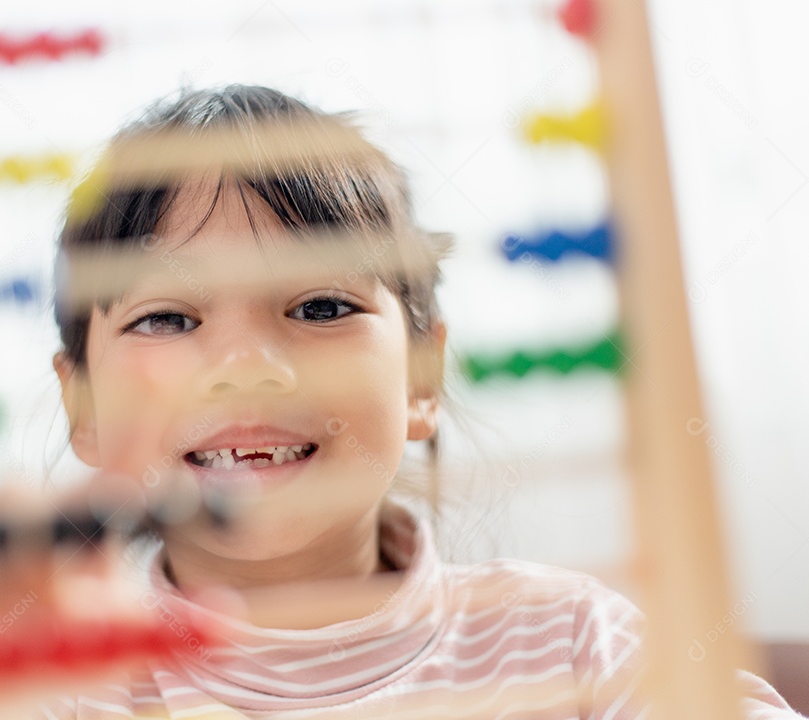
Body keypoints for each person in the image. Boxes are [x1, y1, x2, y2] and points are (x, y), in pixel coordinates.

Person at [43, 85, 804, 719]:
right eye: (168, 319)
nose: (247, 367)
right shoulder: (54, 690)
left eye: (319, 307)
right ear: (85, 413)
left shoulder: (568, 641)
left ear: (421, 380)